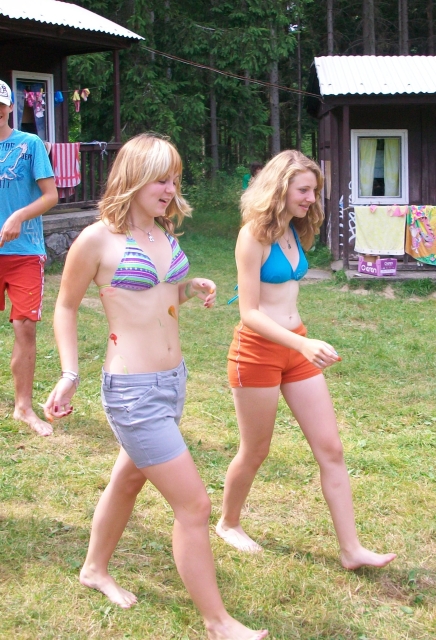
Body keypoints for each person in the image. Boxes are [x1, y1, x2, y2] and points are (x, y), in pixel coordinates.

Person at [44, 134, 268, 640]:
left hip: (172, 382)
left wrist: (190, 288)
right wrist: (69, 373)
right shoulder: (97, 239)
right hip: (133, 391)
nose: (170, 189)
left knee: (128, 480)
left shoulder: (162, 232)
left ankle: (93, 569)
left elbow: (158, 297)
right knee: (194, 506)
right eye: (161, 179)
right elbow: (66, 307)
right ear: (134, 178)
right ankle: (218, 622)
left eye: (174, 179)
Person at [216, 150, 397, 571]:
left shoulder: (294, 230)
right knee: (255, 450)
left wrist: (300, 344)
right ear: (279, 188)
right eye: (304, 190)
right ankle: (228, 522)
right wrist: (301, 345)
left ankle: (351, 550)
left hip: (296, 348)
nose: (311, 199)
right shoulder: (252, 236)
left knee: (331, 448)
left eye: (314, 191)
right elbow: (249, 312)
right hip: (256, 353)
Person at [0, 79, 58, 437]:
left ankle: (23, 407)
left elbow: (50, 195)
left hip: (25, 252)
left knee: (25, 327)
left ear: (9, 107)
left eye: (0, 105)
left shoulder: (29, 143)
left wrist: (18, 216)